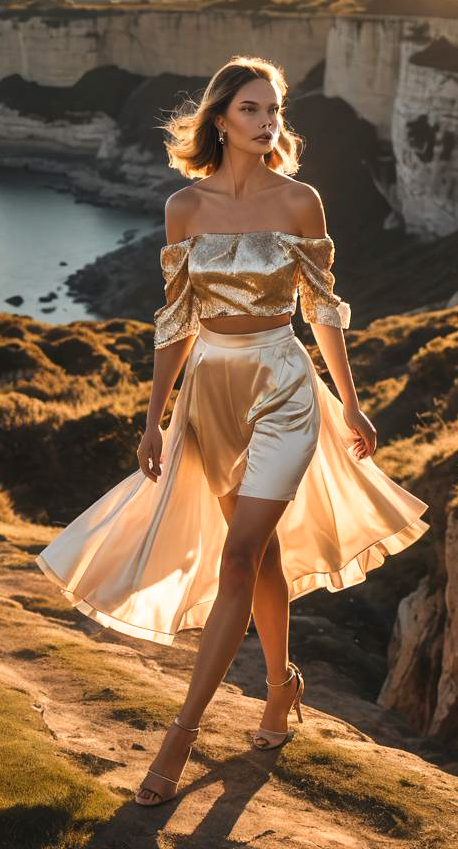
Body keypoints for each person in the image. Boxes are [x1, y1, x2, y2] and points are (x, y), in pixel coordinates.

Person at [35, 54, 431, 807]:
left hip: (283, 386)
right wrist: (152, 418)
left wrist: (350, 402)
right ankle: (282, 686)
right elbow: (176, 320)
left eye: (274, 109)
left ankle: (178, 738)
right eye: (252, 109)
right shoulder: (185, 208)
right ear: (220, 119)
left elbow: (322, 310)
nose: (268, 121)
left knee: (239, 556)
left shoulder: (300, 202)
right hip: (209, 393)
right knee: (260, 558)